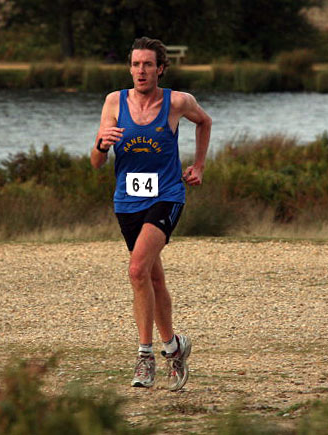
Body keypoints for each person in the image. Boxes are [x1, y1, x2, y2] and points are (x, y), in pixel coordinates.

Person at [90, 37, 212, 391]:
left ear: (160, 68)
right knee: (152, 280)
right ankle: (175, 348)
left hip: (167, 196)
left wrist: (200, 165)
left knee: (136, 269)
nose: (140, 71)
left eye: (147, 65)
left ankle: (145, 357)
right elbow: (97, 163)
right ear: (129, 67)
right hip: (127, 200)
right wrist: (101, 144)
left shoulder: (177, 102)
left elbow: (204, 122)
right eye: (135, 64)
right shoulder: (114, 102)